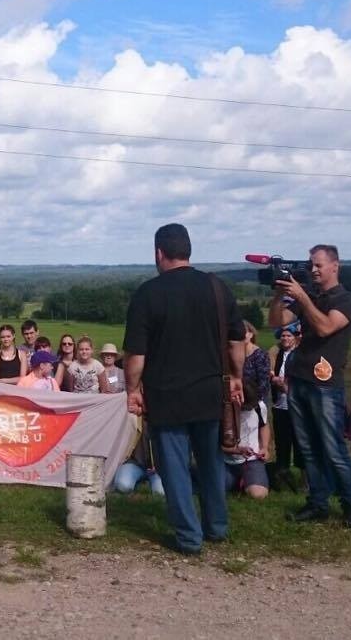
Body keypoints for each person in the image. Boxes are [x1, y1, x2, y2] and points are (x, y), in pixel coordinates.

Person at [124, 223, 245, 555]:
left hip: (167, 396)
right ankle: (216, 528)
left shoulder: (148, 294)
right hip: (210, 392)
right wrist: (236, 376)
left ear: (158, 253)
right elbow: (237, 342)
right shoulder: (218, 288)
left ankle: (189, 538)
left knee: (175, 469)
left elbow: (136, 355)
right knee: (211, 463)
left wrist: (132, 389)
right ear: (188, 250)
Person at [269, 244, 351, 528]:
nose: (313, 270)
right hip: (298, 378)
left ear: (335, 266)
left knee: (333, 448)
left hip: (325, 383)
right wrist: (279, 294)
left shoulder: (347, 300)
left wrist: (302, 298)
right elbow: (276, 322)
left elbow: (324, 327)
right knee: (308, 448)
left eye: (319, 265)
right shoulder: (308, 296)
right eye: (311, 264)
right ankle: (318, 503)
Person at [222, 321, 271, 500]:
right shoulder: (223, 409)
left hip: (251, 460)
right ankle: (233, 478)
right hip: (227, 458)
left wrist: (264, 447)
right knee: (213, 488)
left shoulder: (258, 406)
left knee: (258, 495)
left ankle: (251, 477)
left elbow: (264, 425)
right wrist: (234, 449)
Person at [267, 324, 304, 491]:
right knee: (282, 444)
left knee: (301, 443)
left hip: (298, 406)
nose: (285, 339)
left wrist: (288, 386)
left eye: (289, 336)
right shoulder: (277, 353)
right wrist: (274, 380)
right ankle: (282, 479)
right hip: (280, 405)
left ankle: (305, 480)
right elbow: (270, 371)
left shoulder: (301, 355)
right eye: (283, 336)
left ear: (295, 337)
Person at [114, 420, 164, 496]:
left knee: (160, 492)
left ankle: (145, 484)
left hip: (158, 468)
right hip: (134, 463)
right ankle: (138, 484)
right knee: (123, 485)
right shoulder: (132, 417)